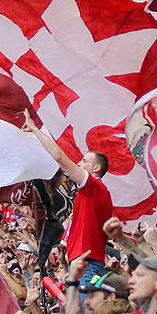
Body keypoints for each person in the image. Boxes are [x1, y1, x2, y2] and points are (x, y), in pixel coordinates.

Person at [24, 115, 112, 278]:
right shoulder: (94, 193)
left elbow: (59, 157)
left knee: (88, 304)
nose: (79, 163)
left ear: (96, 168)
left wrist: (35, 130)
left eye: (84, 160)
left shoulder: (94, 186)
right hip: (83, 263)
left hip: (87, 264)